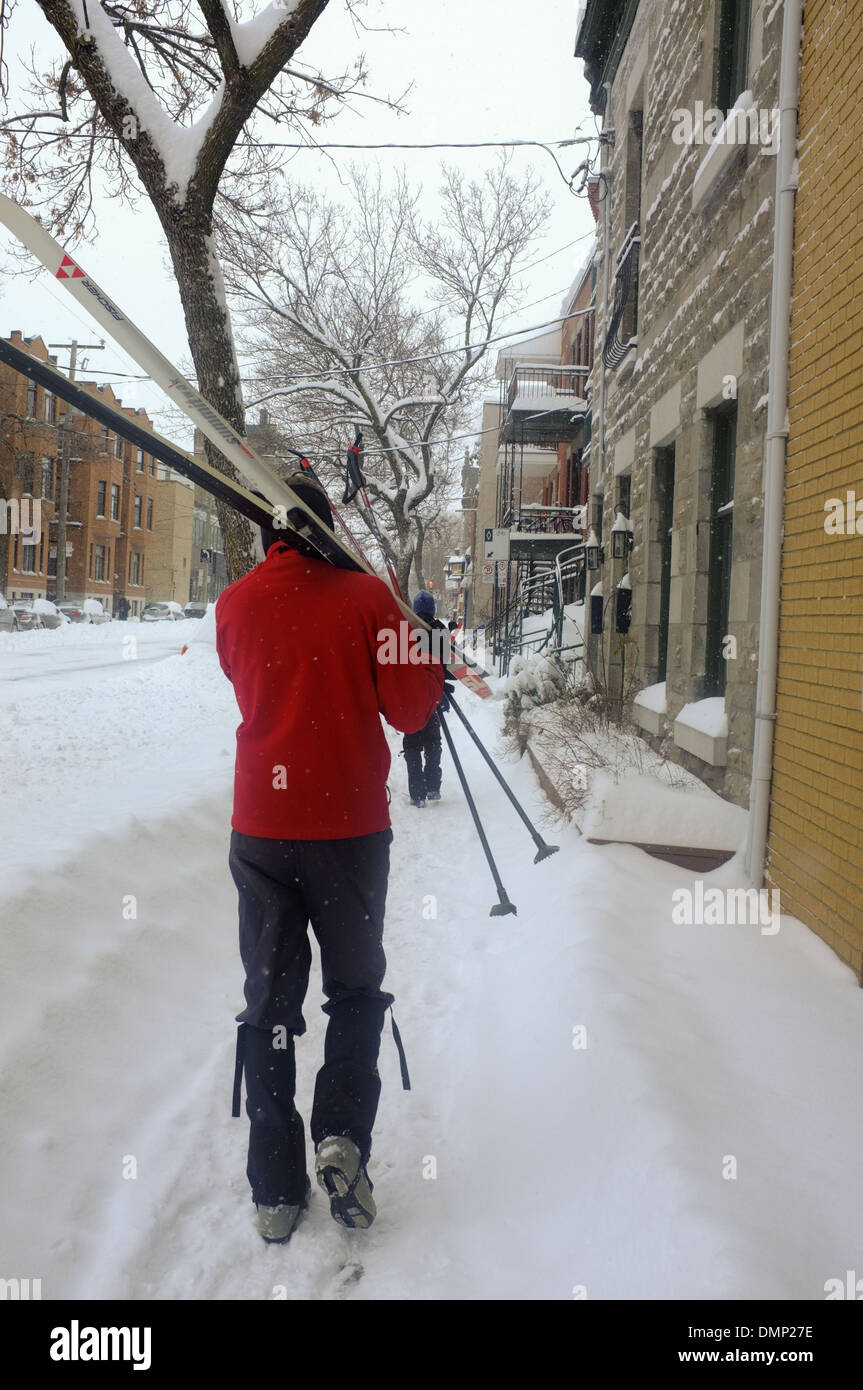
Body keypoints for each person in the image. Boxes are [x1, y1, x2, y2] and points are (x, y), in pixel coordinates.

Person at [216, 475, 444, 1243]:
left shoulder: (235, 604)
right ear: (329, 524)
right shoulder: (369, 599)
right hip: (346, 828)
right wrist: (421, 652)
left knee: (270, 1001)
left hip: (260, 826)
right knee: (352, 989)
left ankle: (274, 1191)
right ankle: (340, 1138)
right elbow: (412, 710)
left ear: (270, 531)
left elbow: (250, 683)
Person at [402, 590, 451, 808]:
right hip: (433, 696)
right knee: (432, 741)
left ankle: (417, 794)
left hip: (410, 696)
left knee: (412, 744)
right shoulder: (439, 630)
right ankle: (433, 786)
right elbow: (445, 663)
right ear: (432, 609)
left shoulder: (404, 629)